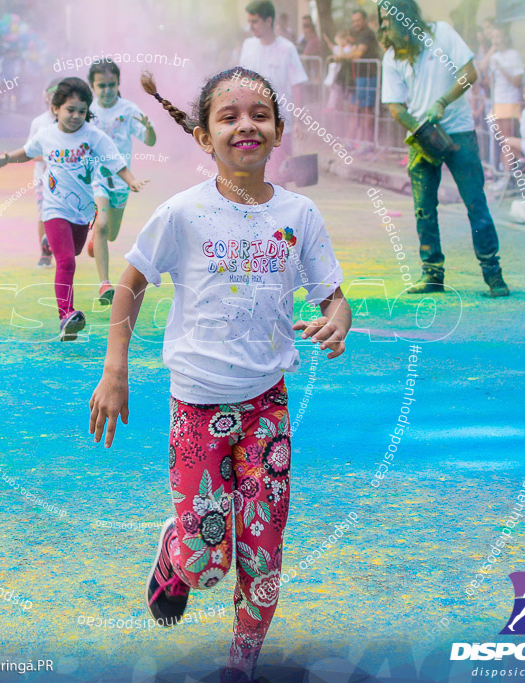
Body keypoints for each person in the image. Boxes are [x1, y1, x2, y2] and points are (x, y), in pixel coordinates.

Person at [89, 68, 350, 683]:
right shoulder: (183, 213)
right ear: (205, 137)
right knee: (210, 563)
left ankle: (243, 665)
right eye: (228, 117)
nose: (245, 125)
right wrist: (115, 370)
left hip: (268, 411)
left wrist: (338, 319)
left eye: (258, 114)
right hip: (198, 412)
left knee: (262, 551)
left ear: (278, 131)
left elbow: (333, 296)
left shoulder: (299, 214)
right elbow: (130, 286)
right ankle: (176, 556)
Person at [0, 77, 146, 341]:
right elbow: (27, 152)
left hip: (82, 212)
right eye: (70, 110)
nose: (75, 116)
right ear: (56, 109)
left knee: (74, 250)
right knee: (67, 261)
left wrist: (131, 180)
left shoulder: (94, 136)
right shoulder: (47, 134)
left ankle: (51, 243)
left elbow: (115, 160)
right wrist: (6, 159)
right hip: (54, 209)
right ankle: (66, 316)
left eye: (81, 112)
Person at [378, 0, 510, 297]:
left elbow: (470, 73)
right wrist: (420, 130)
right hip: (423, 137)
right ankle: (432, 274)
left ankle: (493, 273)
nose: (385, 26)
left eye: (389, 19)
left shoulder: (441, 34)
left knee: (475, 202)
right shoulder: (392, 57)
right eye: (382, 20)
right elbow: (394, 106)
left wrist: (442, 102)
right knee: (424, 209)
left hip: (459, 130)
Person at [86, 59, 157, 305]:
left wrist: (149, 130)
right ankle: (104, 284)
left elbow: (150, 142)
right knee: (102, 224)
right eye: (101, 85)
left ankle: (97, 238)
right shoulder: (87, 111)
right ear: (92, 86)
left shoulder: (128, 110)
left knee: (111, 234)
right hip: (96, 177)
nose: (106, 90)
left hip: (121, 180)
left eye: (111, 85)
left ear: (118, 84)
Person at [238, 0, 307, 185]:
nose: (250, 27)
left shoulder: (287, 49)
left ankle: (278, 211)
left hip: (280, 123)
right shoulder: (248, 46)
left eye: (255, 22)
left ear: (268, 21)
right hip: (250, 122)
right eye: (249, 22)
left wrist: (299, 120)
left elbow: (297, 85)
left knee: (277, 175)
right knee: (253, 173)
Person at [328, 9, 380, 149]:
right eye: (354, 21)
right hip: (358, 77)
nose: (355, 24)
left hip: (368, 76)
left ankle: (367, 143)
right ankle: (356, 141)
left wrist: (340, 57)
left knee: (366, 110)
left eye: (358, 20)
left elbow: (357, 54)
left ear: (365, 20)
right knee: (357, 109)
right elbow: (350, 49)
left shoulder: (367, 34)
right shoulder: (357, 34)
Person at [28, 79, 62, 268]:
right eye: (52, 92)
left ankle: (63, 248)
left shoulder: (70, 120)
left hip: (66, 179)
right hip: (43, 177)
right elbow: (30, 152)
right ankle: (45, 252)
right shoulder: (39, 123)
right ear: (46, 96)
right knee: (43, 213)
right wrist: (51, 156)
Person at [484, 25, 524, 170]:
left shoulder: (513, 55)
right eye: (493, 37)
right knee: (501, 141)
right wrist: (491, 52)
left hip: (510, 100)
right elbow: (482, 69)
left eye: (499, 37)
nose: (496, 40)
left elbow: (517, 82)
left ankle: (512, 171)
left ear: (506, 38)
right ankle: (507, 173)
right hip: (497, 102)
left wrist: (501, 68)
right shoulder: (494, 56)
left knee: (508, 140)